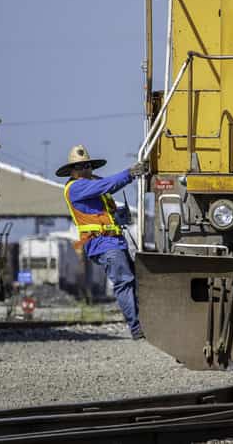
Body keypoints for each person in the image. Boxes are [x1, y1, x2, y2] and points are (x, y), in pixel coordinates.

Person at [55, 144, 147, 339]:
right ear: (71, 171)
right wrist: (130, 173)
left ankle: (143, 322)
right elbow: (107, 184)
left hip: (114, 241)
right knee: (124, 281)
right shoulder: (77, 188)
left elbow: (109, 186)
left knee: (132, 281)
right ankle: (137, 327)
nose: (85, 169)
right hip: (102, 243)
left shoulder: (92, 186)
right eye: (79, 167)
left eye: (87, 165)